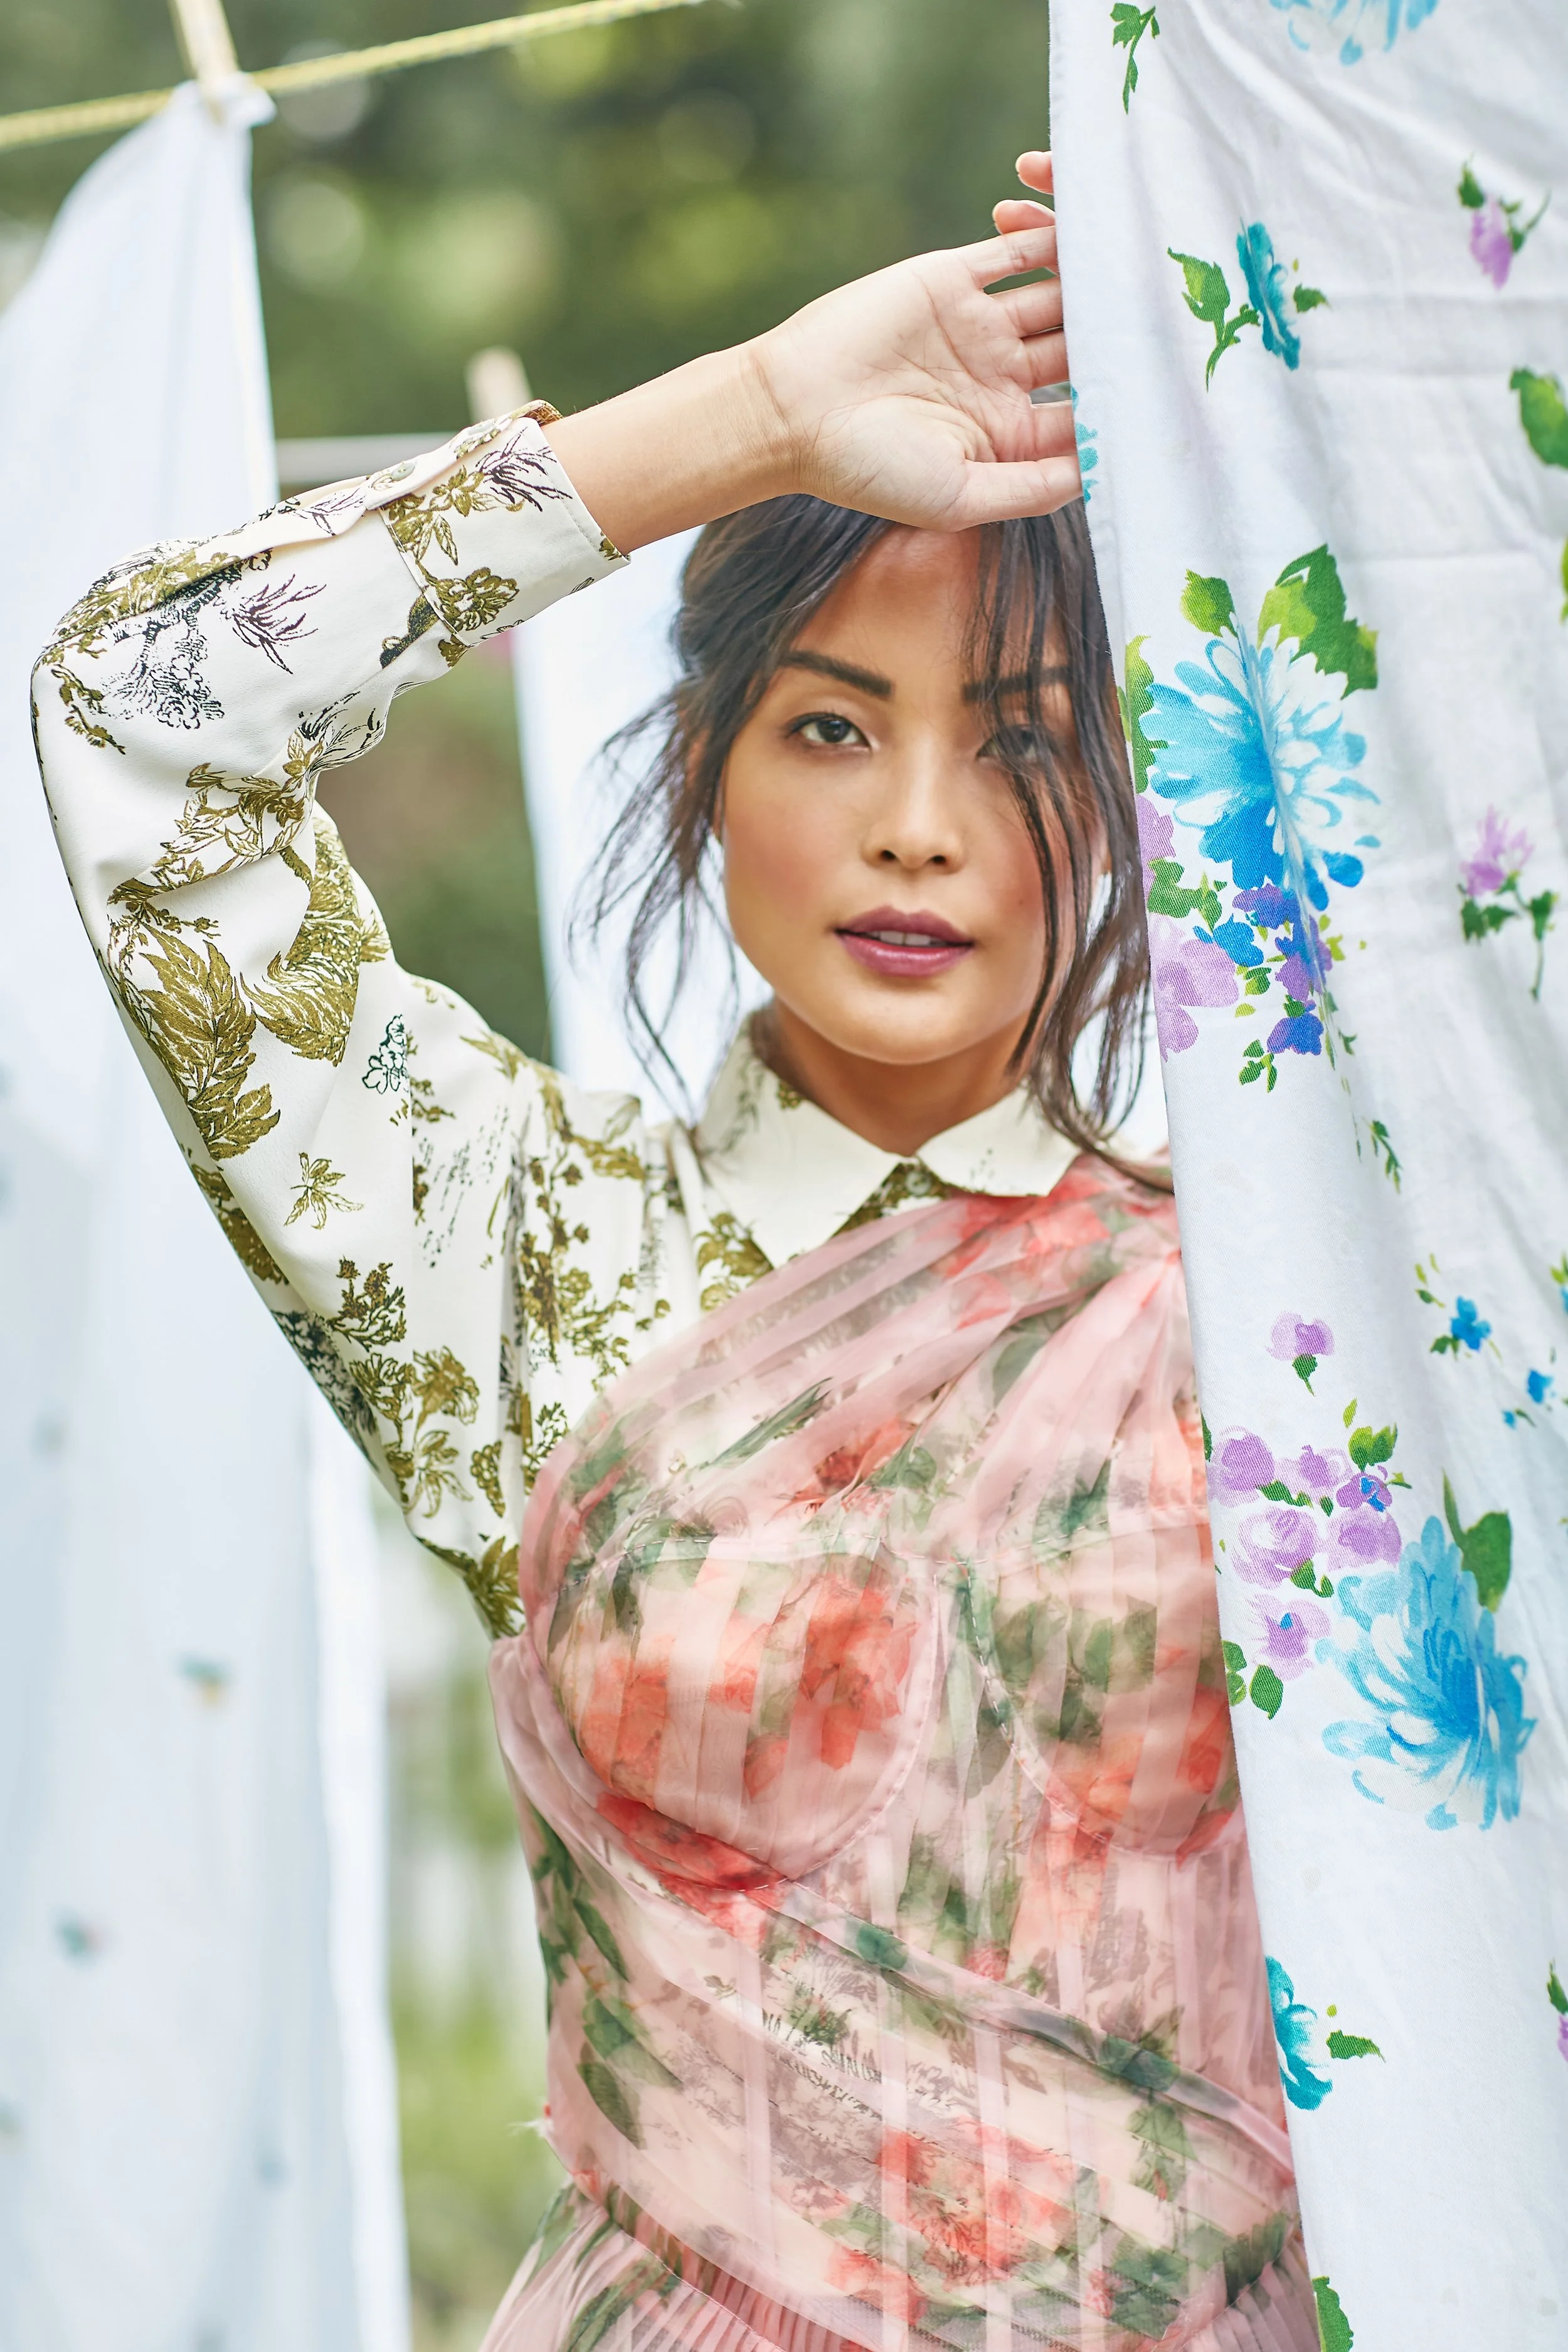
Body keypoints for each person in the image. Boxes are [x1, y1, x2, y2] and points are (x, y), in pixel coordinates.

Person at [34, 154, 1313, 2351]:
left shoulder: (1311, 1297)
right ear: (701, 763)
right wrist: (752, 414)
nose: (916, 817)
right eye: (829, 723)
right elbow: (138, 717)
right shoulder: (525, 1254)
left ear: (1139, 794)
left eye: (1021, 743)